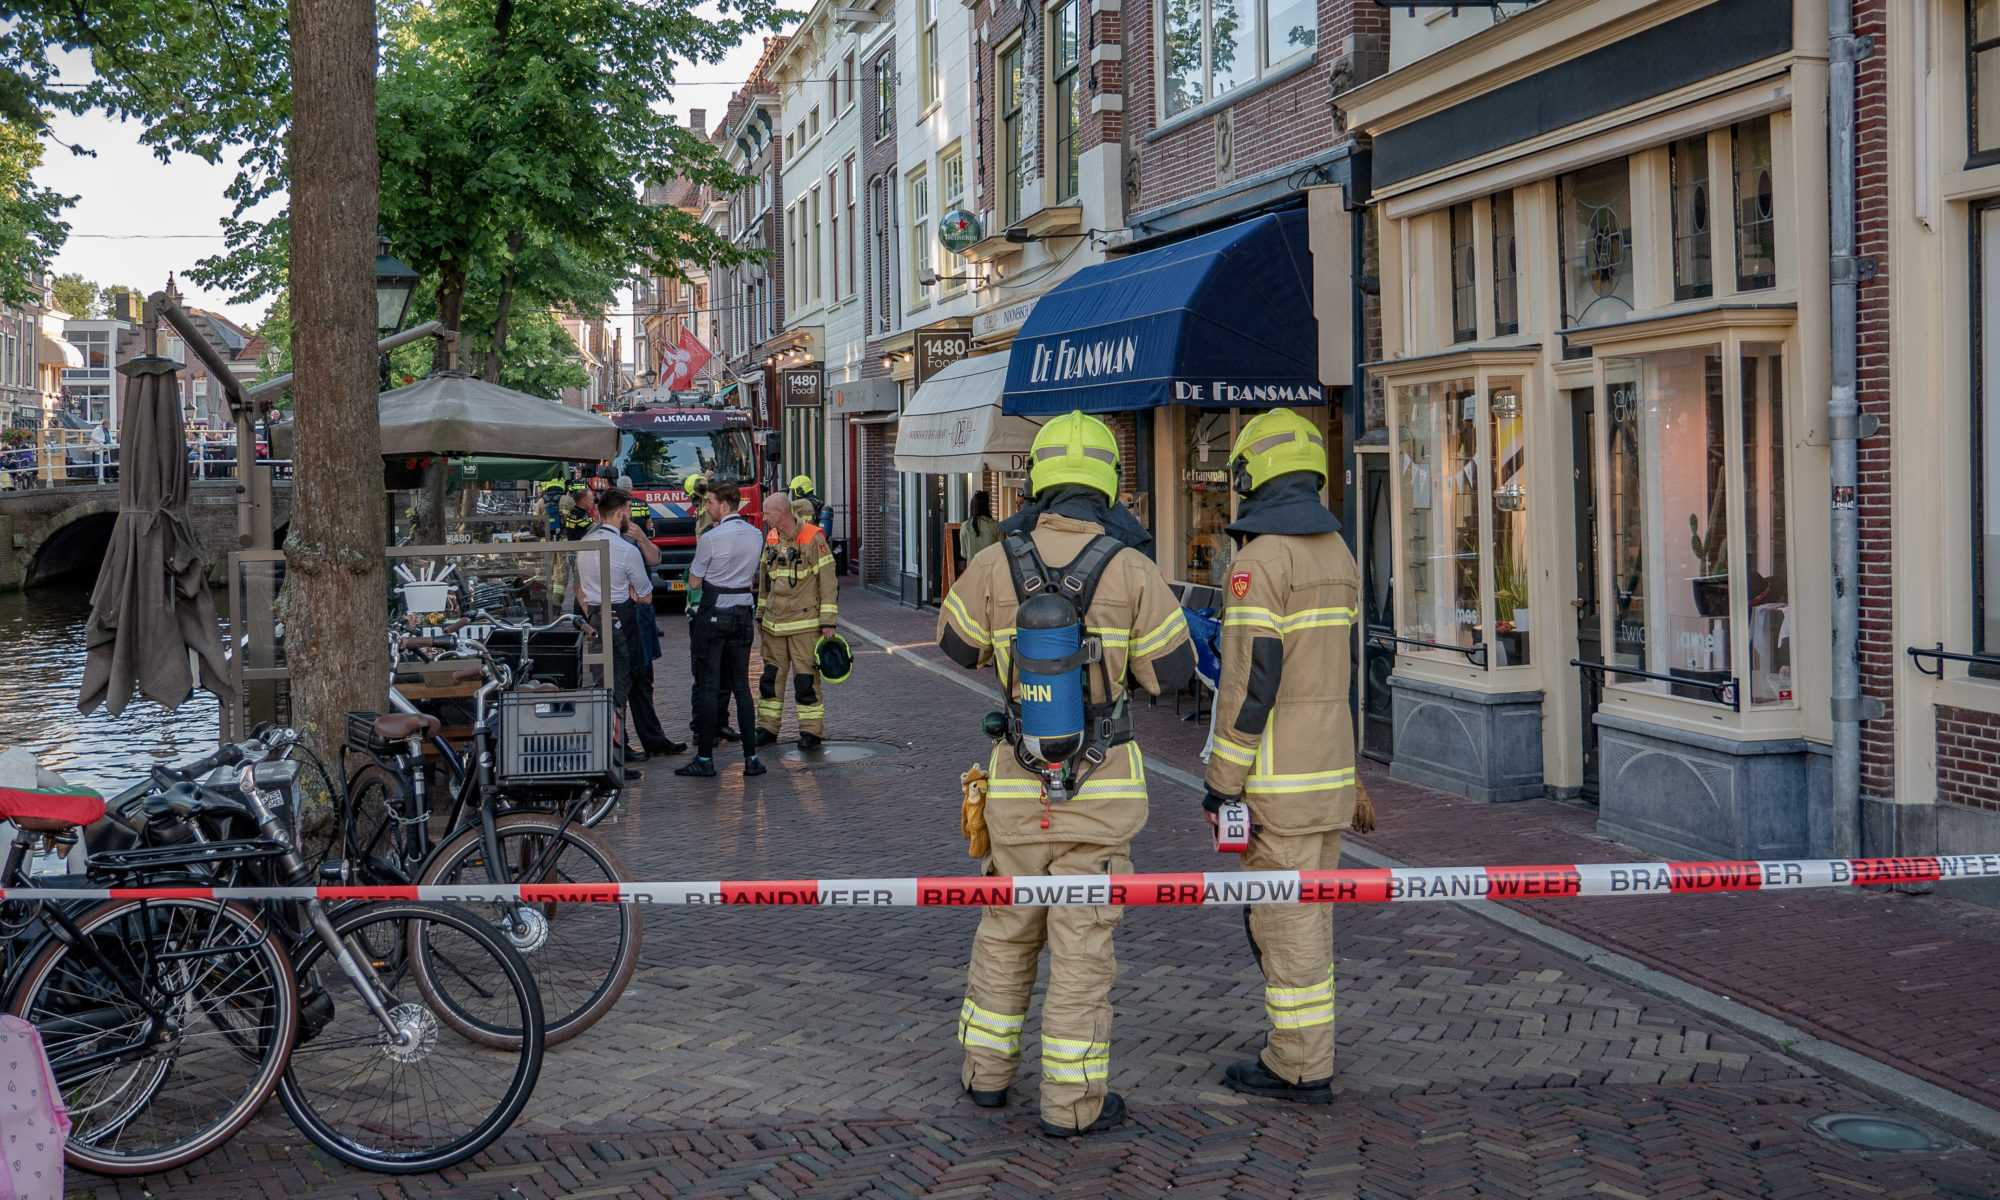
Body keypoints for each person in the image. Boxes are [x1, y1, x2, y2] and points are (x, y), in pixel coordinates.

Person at [938, 410, 1195, 1137]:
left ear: (1039, 481)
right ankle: (1072, 1104)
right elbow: (1173, 674)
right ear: (1109, 484)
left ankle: (985, 1073)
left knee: (1005, 929)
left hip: (1017, 791)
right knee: (1081, 950)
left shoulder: (996, 562)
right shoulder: (1133, 567)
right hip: (1101, 794)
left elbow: (957, 648)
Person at [1199, 407, 1360, 1105]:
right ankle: (1306, 1048)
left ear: (1252, 475)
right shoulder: (1338, 551)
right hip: (1330, 775)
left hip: (1278, 783)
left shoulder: (1260, 560)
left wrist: (1222, 782)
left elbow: (1249, 682)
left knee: (1283, 923)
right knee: (1312, 919)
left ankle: (1299, 1063)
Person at [574, 488, 670, 780]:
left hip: (595, 616)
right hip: (623, 617)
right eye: (627, 511)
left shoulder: (585, 543)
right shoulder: (626, 550)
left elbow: (578, 588)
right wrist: (632, 595)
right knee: (623, 685)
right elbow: (645, 595)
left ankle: (636, 743)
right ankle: (616, 754)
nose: (629, 516)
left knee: (613, 682)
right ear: (619, 513)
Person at [678, 481, 766, 778]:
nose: (706, 508)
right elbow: (751, 579)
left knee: (708, 686)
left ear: (724, 505)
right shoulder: (756, 535)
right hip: (743, 612)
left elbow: (693, 582)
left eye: (710, 502)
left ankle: (704, 759)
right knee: (742, 686)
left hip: (714, 613)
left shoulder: (711, 538)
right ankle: (751, 758)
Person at [755, 491, 838, 749]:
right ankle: (767, 728)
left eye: (767, 513)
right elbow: (764, 580)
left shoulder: (813, 538)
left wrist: (828, 622)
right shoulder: (771, 537)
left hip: (804, 625)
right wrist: (760, 615)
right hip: (773, 624)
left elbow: (828, 582)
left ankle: (811, 732)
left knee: (805, 681)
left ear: (782, 512)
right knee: (770, 680)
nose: (764, 518)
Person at [958, 490, 1003, 567]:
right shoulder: (996, 526)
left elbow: (964, 554)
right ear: (987, 506)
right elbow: (1001, 551)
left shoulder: (965, 526)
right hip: (991, 570)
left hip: (972, 571)